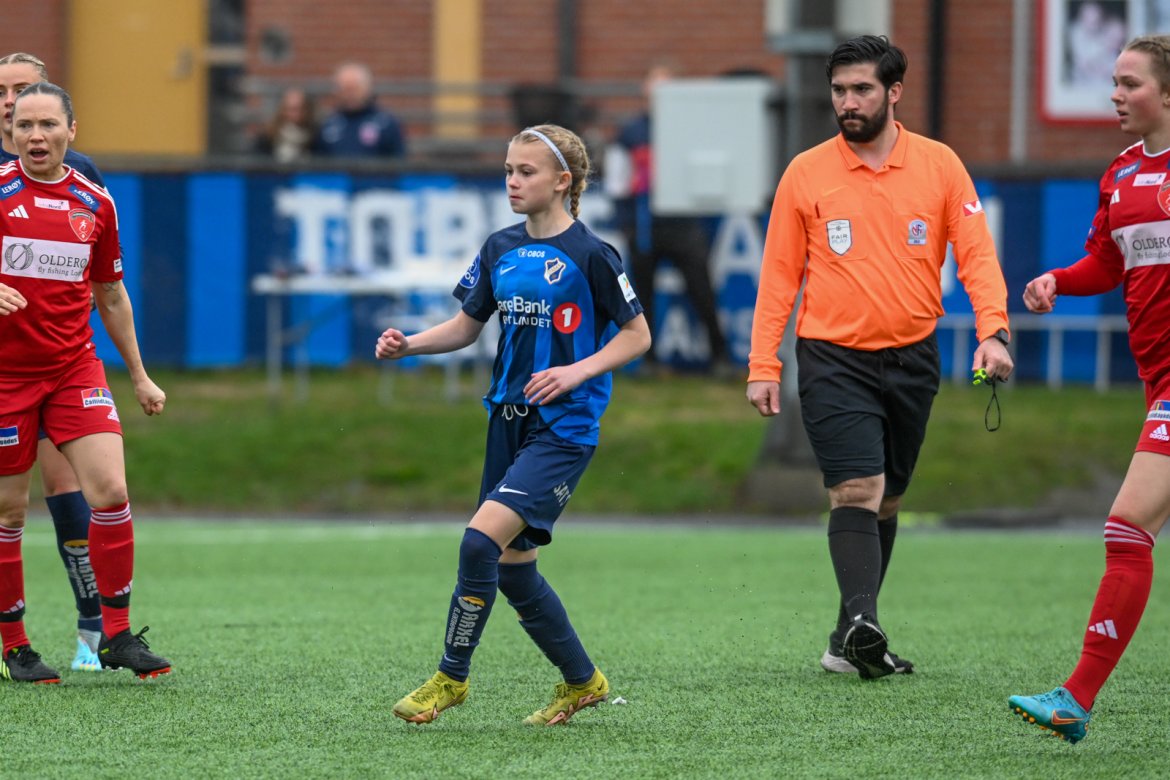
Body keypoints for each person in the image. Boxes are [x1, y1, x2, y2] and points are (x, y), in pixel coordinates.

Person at [746, 35, 1013, 679]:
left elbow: (976, 254)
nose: (848, 101)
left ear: (894, 92)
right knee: (856, 489)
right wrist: (763, 365)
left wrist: (994, 331)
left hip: (915, 356)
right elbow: (778, 276)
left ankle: (847, 639)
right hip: (832, 358)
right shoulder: (806, 172)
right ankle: (866, 622)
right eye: (839, 90)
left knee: (888, 498)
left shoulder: (940, 165)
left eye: (861, 89)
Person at [378, 124, 650, 724]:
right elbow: (466, 326)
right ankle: (583, 682)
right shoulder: (499, 247)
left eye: (526, 172)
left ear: (563, 181)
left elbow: (638, 335)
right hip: (506, 421)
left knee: (479, 542)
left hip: (564, 427)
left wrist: (576, 371)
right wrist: (410, 345)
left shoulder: (593, 254)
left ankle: (451, 678)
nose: (512, 182)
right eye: (508, 170)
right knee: (512, 569)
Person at [1009, 35, 1170, 744]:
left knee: (1126, 527)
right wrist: (1057, 280)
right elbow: (1106, 262)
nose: (1115, 94)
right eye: (1114, 81)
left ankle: (1075, 697)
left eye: (1130, 83)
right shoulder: (1122, 173)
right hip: (1156, 380)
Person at [0, 81, 171, 683]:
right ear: (10, 132)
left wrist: (140, 376)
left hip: (73, 368)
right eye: (24, 125)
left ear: (71, 131)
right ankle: (16, 646)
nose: (35, 136)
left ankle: (115, 635)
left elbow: (111, 293)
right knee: (9, 510)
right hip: (6, 377)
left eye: (47, 124)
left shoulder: (94, 201)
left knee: (110, 491)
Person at [0, 51, 106, 673]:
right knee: (8, 507)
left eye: (24, 88)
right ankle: (12, 635)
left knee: (67, 486)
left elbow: (99, 269)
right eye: (4, 91)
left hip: (56, 361)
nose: (12, 100)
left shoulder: (79, 174)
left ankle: (93, 624)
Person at [606, 62, 732, 376]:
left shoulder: (689, 130)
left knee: (702, 291)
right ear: (645, 90)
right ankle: (648, 361)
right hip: (644, 225)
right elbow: (617, 183)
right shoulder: (630, 133)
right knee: (642, 298)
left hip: (684, 225)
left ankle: (719, 357)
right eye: (655, 86)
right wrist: (627, 224)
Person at [315, 61, 405, 158]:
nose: (350, 95)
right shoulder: (328, 124)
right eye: (345, 89)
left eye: (354, 89)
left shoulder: (386, 124)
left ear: (367, 88)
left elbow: (398, 159)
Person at [254, 86, 317, 163]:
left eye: (300, 109)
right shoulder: (267, 137)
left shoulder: (315, 136)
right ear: (282, 110)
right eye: (291, 109)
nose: (296, 114)